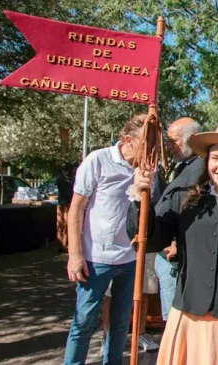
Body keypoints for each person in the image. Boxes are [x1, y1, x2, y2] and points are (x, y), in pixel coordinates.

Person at [127, 122, 218, 365]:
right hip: (189, 317)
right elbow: (149, 240)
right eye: (215, 157)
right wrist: (139, 197)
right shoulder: (184, 201)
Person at [64, 114, 149, 364]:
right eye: (147, 144)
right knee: (84, 322)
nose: (152, 150)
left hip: (130, 258)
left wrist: (144, 188)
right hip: (96, 257)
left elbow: (147, 213)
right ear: (127, 140)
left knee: (121, 322)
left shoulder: (148, 169)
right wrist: (75, 254)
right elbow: (76, 208)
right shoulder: (98, 159)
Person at [155, 117, 204, 321]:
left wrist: (177, 242)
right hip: (169, 253)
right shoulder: (185, 166)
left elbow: (197, 211)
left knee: (176, 318)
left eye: (173, 141)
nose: (169, 147)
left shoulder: (201, 168)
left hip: (177, 255)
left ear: (191, 138)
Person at [56, 162, 77, 252]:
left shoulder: (61, 179)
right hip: (67, 203)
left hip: (62, 202)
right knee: (65, 224)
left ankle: (62, 244)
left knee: (62, 224)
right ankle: (64, 244)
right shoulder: (70, 179)